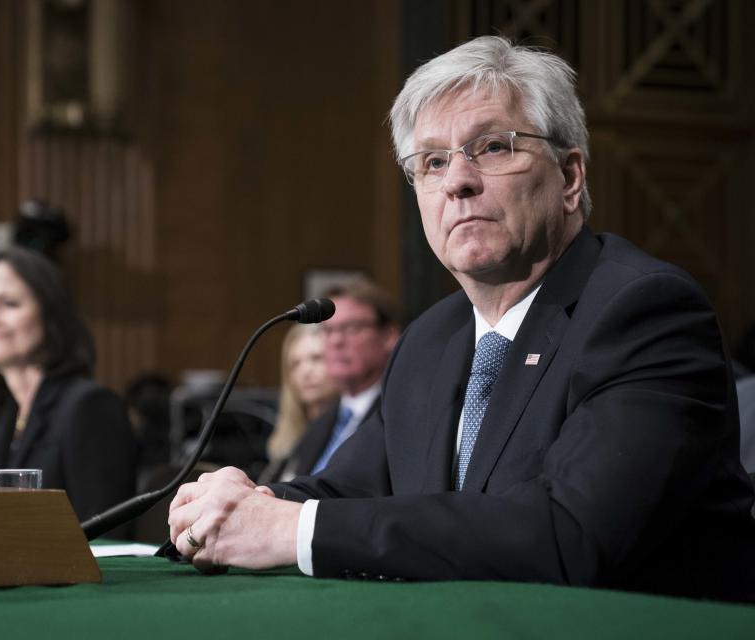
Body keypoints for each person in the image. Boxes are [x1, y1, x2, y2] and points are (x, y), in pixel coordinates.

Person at [166, 36, 755, 601]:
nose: (458, 181)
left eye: (494, 147)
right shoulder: (433, 337)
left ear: (571, 178)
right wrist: (236, 504)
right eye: (431, 162)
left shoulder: (644, 310)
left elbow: (571, 534)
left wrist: (287, 529)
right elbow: (346, 491)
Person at [0, 246, 137, 530]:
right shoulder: (8, 414)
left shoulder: (90, 406)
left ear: (50, 311)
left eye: (9, 303)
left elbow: (108, 533)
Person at [271, 279, 400, 480]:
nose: (336, 340)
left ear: (388, 337)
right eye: (328, 330)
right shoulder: (320, 423)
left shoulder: (400, 413)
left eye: (351, 327)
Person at [259, 324, 338, 483]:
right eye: (295, 364)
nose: (305, 371)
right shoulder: (288, 439)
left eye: (317, 358)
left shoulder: (347, 431)